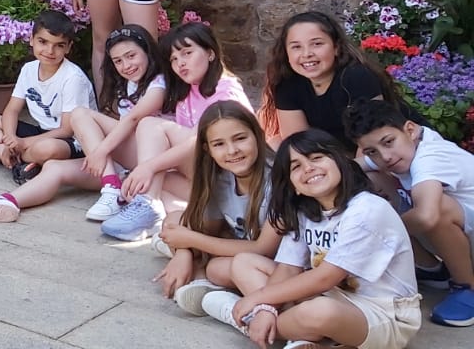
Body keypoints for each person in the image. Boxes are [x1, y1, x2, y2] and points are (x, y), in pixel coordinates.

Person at [199, 130, 421, 349]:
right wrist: (266, 307)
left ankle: (244, 320)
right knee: (244, 262)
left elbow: (325, 278)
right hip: (332, 297)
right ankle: (295, 336)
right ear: (293, 186)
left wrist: (257, 299)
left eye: (316, 157)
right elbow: (288, 268)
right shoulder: (306, 212)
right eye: (296, 166)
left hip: (383, 314)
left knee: (318, 311)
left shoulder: (366, 209)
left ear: (340, 162)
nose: (308, 168)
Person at [102, 21, 250, 242]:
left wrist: (148, 167)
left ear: (210, 53)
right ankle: (169, 217)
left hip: (231, 179)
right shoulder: (187, 93)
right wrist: (147, 171)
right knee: (144, 185)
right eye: (173, 59)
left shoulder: (226, 91)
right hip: (206, 182)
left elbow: (196, 141)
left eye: (187, 53)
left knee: (150, 124)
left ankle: (151, 206)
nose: (180, 63)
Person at [346, 99, 474, 326]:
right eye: (372, 151)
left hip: (461, 233)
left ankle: (467, 287)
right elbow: (350, 167)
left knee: (437, 209)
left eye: (388, 142)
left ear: (410, 130)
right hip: (466, 237)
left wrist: (371, 233)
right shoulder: (408, 147)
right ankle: (432, 269)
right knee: (370, 178)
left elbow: (426, 216)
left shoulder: (431, 156)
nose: (385, 156)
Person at [154, 102, 280, 319]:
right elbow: (204, 227)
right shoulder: (220, 177)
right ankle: (201, 278)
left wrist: (189, 240)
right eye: (219, 144)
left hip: (276, 264)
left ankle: (230, 305)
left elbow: (263, 249)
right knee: (174, 220)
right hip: (243, 251)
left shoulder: (278, 180)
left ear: (258, 135)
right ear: (207, 149)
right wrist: (183, 252)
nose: (232, 150)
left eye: (240, 138)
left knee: (219, 268)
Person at [0, 10, 96, 176]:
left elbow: (66, 130)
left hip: (70, 141)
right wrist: (10, 138)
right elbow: (12, 110)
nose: (50, 50)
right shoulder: (29, 69)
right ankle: (16, 161)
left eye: (59, 45)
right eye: (43, 42)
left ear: (68, 48)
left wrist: (23, 143)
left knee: (48, 149)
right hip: (41, 131)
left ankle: (7, 157)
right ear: (31, 40)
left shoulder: (73, 77)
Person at [65, 25, 169, 221]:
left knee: (86, 122)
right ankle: (111, 185)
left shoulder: (160, 83)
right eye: (118, 61)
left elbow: (133, 118)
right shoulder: (129, 85)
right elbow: (124, 125)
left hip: (158, 156)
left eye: (131, 56)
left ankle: (114, 189)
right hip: (136, 151)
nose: (126, 65)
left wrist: (100, 151)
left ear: (147, 51)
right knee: (79, 115)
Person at [261, 11, 400, 152]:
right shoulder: (287, 83)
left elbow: (372, 143)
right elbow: (300, 143)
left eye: (317, 44)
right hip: (332, 153)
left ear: (336, 48)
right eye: (296, 47)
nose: (307, 54)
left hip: (380, 151)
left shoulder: (356, 76)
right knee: (276, 143)